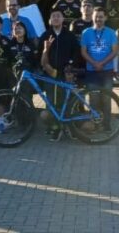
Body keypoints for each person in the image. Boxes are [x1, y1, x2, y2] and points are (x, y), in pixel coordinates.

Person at [40, 8, 81, 140]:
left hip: (66, 74)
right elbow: (39, 56)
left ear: (63, 19)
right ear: (50, 20)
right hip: (50, 75)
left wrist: (70, 65)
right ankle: (54, 128)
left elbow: (76, 53)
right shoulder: (45, 35)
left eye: (58, 16)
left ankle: (70, 128)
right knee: (51, 103)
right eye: (53, 16)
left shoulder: (70, 36)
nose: (56, 18)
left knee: (67, 102)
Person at [80, 7, 119, 132]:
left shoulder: (111, 32)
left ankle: (107, 125)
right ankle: (95, 125)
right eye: (96, 16)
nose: (98, 19)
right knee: (94, 100)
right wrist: (94, 63)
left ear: (105, 18)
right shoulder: (86, 32)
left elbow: (115, 51)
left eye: (101, 16)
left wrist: (101, 63)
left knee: (106, 99)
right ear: (92, 17)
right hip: (91, 71)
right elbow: (83, 51)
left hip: (107, 71)